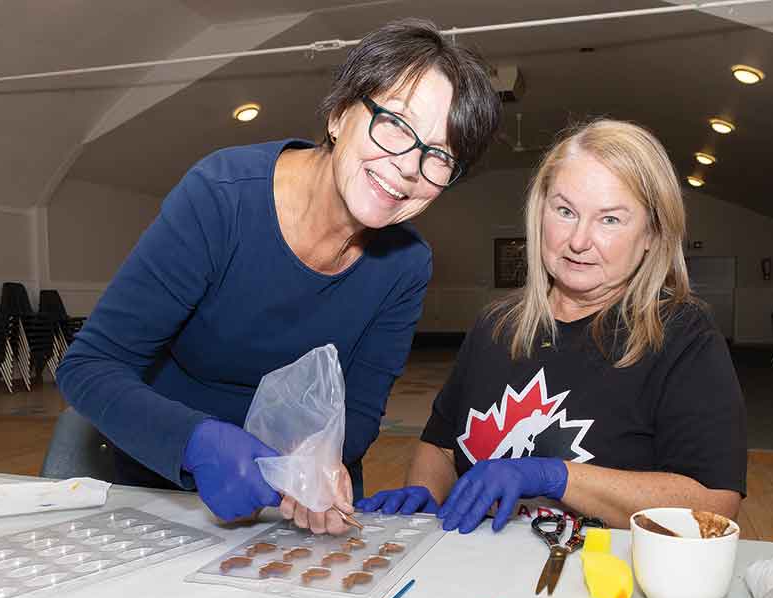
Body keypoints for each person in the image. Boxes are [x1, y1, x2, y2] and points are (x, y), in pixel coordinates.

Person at [56, 18, 501, 534]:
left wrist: (318, 463)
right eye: (396, 125)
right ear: (339, 113)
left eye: (439, 155)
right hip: (164, 489)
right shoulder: (221, 200)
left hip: (300, 506)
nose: (409, 165)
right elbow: (88, 367)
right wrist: (199, 443)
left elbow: (356, 418)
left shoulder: (406, 263)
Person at [357, 119, 747, 533]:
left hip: (597, 584)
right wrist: (426, 497)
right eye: (565, 211)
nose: (578, 240)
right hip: (477, 580)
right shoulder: (496, 325)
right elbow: (440, 446)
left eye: (610, 220)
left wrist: (556, 477)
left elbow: (714, 505)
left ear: (652, 232)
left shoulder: (682, 335)